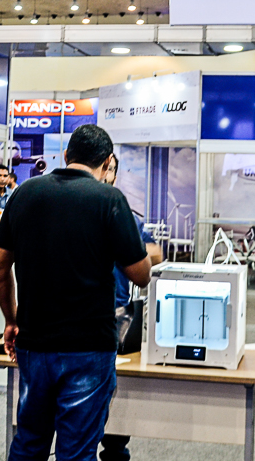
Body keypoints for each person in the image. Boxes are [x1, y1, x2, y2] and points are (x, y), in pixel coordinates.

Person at [0, 125, 152, 461]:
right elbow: (140, 274)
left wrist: (11, 320)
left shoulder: (24, 193)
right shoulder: (109, 199)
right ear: (107, 162)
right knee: (77, 452)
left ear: (65, 155)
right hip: (88, 346)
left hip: (34, 341)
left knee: (28, 443)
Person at [100, 153, 162, 461]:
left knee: (115, 395)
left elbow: (154, 254)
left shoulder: (121, 211)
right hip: (69, 318)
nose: (106, 174)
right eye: (104, 168)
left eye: (111, 170)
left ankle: (114, 450)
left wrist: (131, 249)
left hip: (114, 315)